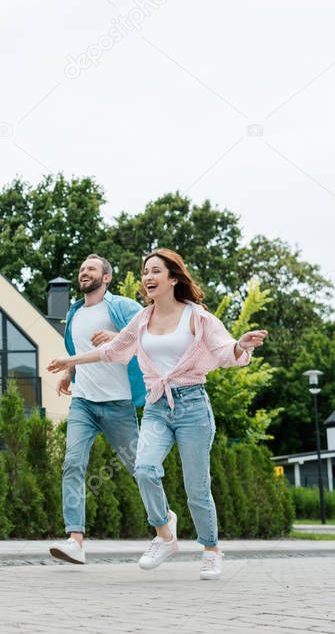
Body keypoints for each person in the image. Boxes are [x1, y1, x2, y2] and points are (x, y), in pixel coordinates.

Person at [48, 248, 267, 580]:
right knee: (145, 468)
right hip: (156, 406)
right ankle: (165, 535)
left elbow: (224, 351)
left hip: (192, 404)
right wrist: (71, 363)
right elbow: (113, 351)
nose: (147, 278)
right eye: (145, 272)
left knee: (197, 486)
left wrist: (241, 345)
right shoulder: (143, 319)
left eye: (155, 272)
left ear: (173, 278)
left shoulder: (197, 316)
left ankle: (211, 549)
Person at [48, 254, 145, 566]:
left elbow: (150, 332)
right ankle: (75, 540)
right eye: (81, 269)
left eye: (90, 268)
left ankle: (164, 517)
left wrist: (118, 337)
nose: (83, 273)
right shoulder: (74, 314)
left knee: (140, 468)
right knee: (72, 463)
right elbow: (82, 355)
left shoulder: (123, 307)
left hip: (119, 403)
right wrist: (70, 373)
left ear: (106, 278)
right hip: (84, 403)